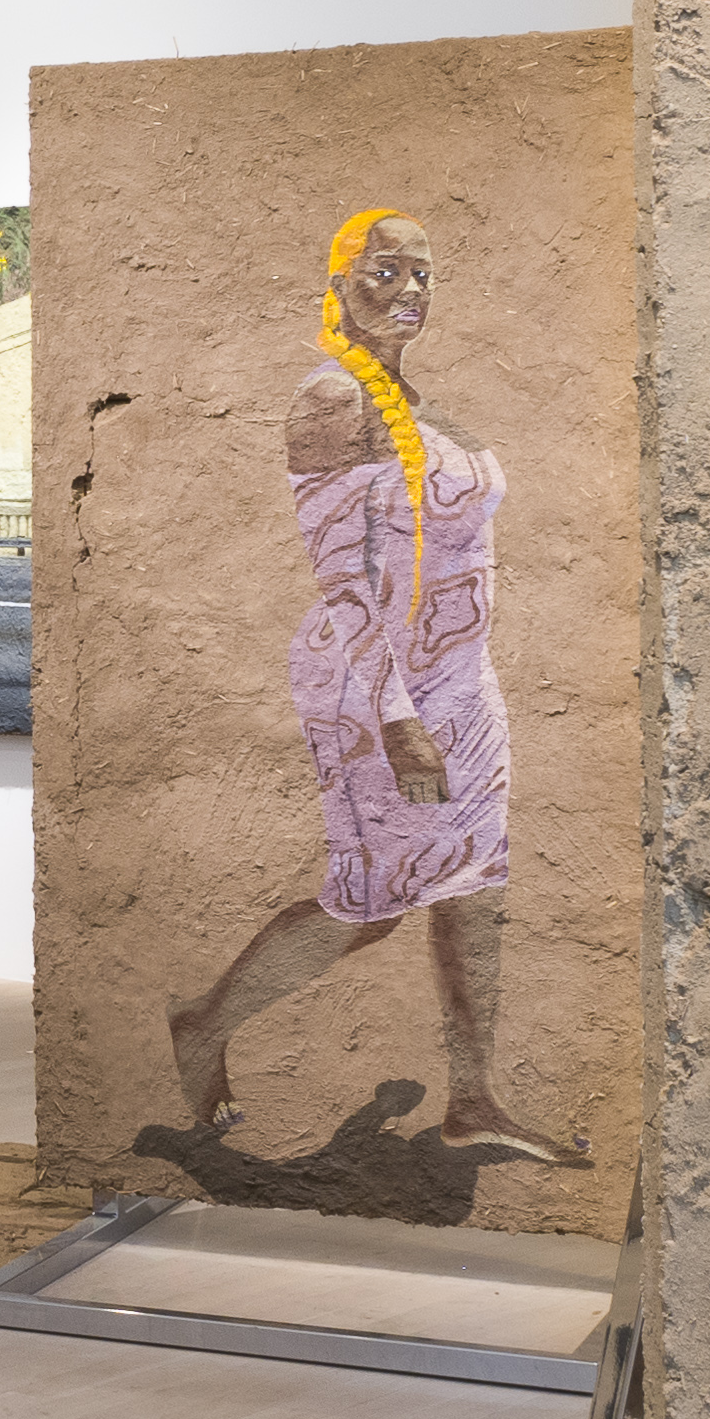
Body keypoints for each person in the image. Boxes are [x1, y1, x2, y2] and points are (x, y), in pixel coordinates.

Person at [165, 206, 573, 1165]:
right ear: (339, 284)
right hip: (375, 688)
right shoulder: (329, 401)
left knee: (477, 884)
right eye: (385, 273)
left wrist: (456, 696)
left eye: (423, 275)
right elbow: (344, 584)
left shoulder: (413, 404)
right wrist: (398, 722)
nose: (409, 293)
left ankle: (474, 1098)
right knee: (377, 901)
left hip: (464, 678)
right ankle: (204, 1025)